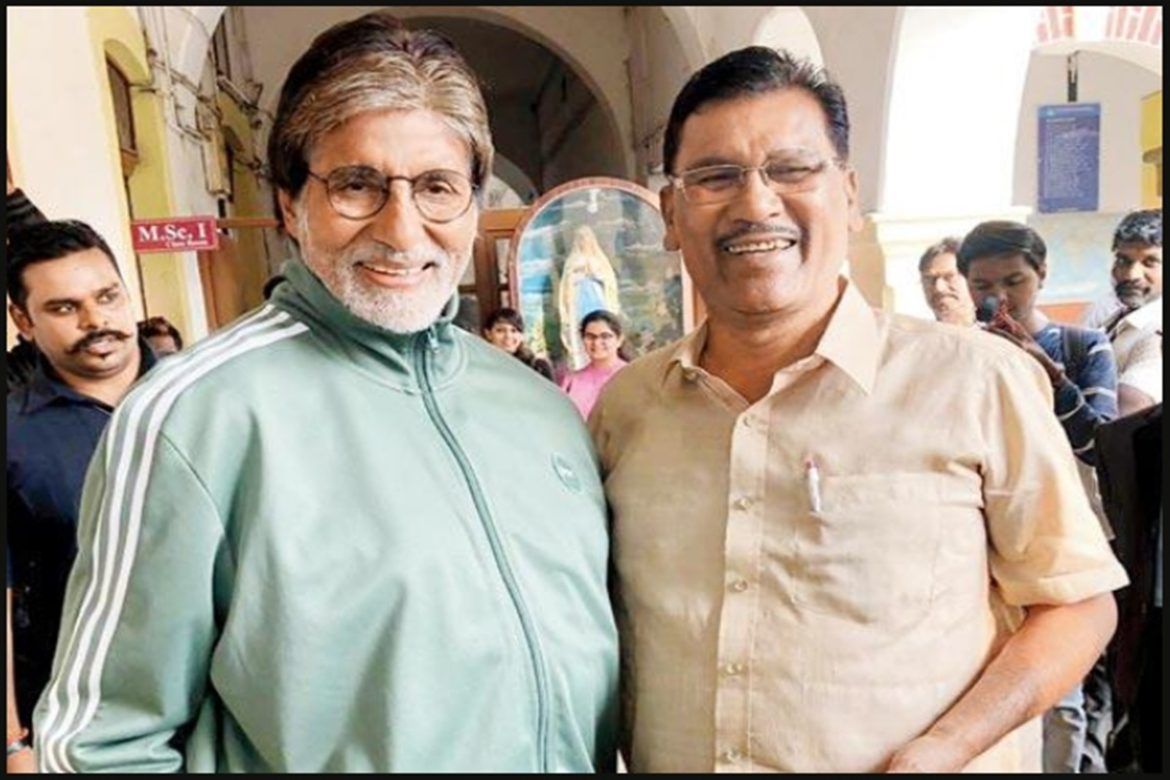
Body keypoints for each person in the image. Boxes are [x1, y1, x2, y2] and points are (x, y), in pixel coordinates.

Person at [33, 13, 617, 773]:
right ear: (289, 204)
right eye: (356, 185)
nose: (402, 230)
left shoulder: (538, 408)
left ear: (473, 205)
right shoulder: (195, 418)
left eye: (437, 187)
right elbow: (96, 746)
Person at [589, 46, 1127, 773]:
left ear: (848, 196)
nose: (756, 203)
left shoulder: (974, 380)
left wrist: (948, 745)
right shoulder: (630, 409)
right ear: (671, 214)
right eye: (716, 177)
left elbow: (1077, 602)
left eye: (792, 169)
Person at [957, 220, 1119, 773]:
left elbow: (1101, 443)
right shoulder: (959, 355)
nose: (998, 298)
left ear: (1042, 276)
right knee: (996, 678)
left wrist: (1045, 371)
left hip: (1063, 537)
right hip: (984, 543)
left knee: (1064, 693)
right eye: (982, 286)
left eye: (1014, 281)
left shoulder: (1080, 345)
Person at [7, 219, 156, 773]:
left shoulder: (207, 398)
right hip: (86, 722)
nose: (97, 321)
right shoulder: (14, 438)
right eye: (65, 308)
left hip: (227, 699)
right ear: (24, 321)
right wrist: (11, 744)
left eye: (107, 297)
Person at [1104, 209, 1161, 417]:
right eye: (1124, 260)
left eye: (1150, 262)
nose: (1131, 274)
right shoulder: (1120, 317)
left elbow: (1127, 414)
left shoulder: (1156, 332)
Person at [559, 309, 628, 419]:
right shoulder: (571, 381)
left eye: (605, 336)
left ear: (619, 340)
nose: (596, 342)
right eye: (590, 336)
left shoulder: (632, 376)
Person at [482, 307, 553, 380]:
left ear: (522, 335)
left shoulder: (537, 367)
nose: (508, 336)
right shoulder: (480, 366)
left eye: (514, 331)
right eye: (500, 330)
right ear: (488, 334)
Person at [918, 236, 975, 326]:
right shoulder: (914, 338)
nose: (938, 288)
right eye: (930, 279)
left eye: (949, 277)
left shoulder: (999, 335)